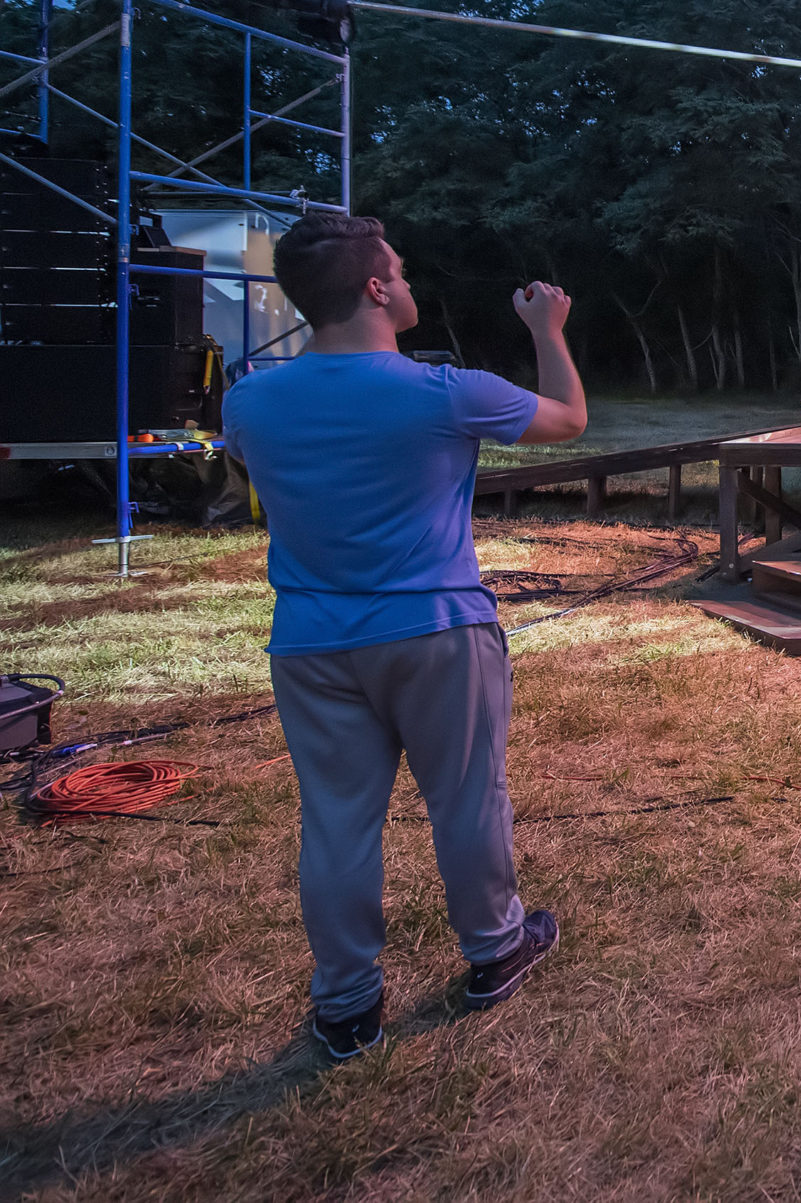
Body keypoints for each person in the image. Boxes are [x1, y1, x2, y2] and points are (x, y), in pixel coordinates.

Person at [221, 211, 586, 1064]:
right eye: (401, 268)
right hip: (437, 631)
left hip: (311, 640)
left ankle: (347, 1006)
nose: (410, 279)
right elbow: (568, 417)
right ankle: (496, 949)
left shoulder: (249, 398)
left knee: (338, 822)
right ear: (375, 288)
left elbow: (252, 467)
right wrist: (547, 329)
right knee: (464, 797)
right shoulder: (447, 392)